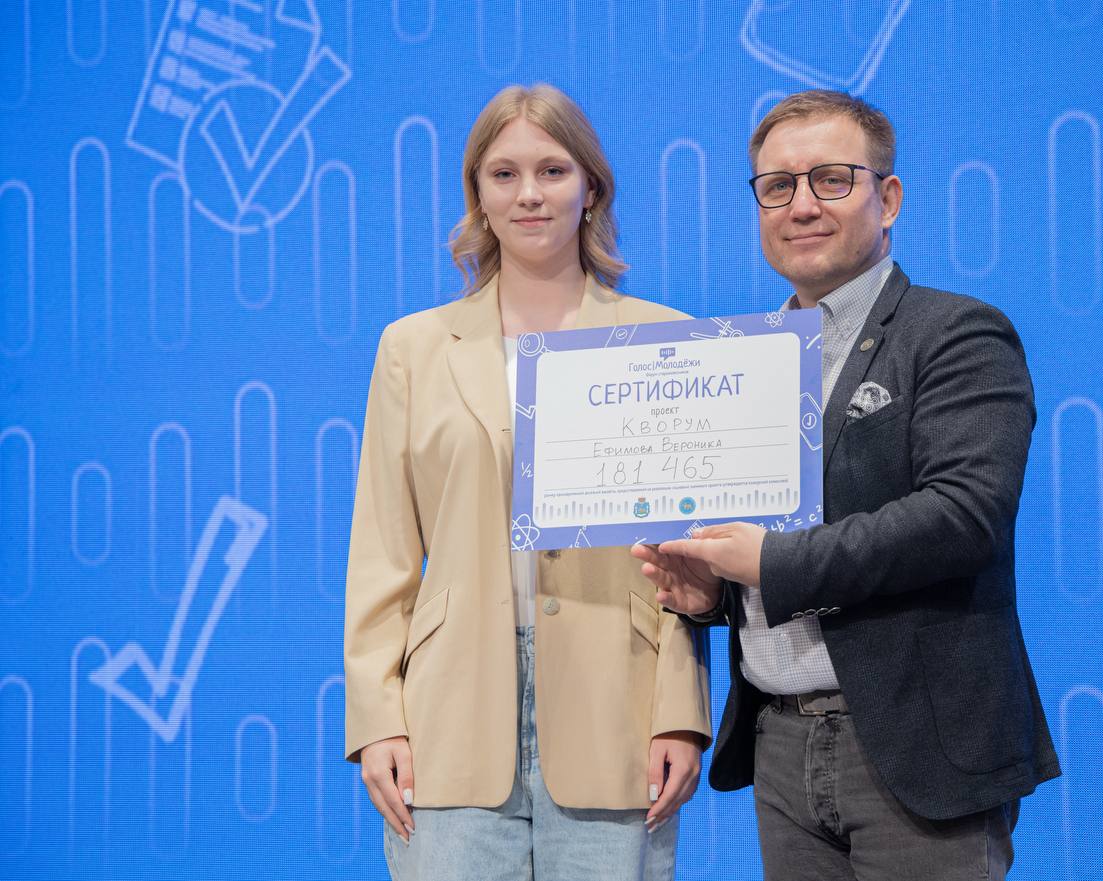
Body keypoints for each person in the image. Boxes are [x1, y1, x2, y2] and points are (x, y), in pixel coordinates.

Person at [632, 90, 1060, 880]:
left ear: (887, 199)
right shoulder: (742, 363)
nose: (802, 205)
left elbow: (964, 515)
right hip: (781, 743)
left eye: (831, 179)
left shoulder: (956, 333)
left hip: (915, 747)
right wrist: (715, 595)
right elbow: (763, 542)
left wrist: (772, 563)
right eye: (777, 186)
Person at [345, 83, 710, 881]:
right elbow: (382, 553)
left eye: (552, 170)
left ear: (591, 188)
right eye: (504, 174)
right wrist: (377, 720)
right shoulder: (411, 348)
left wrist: (681, 711)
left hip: (617, 707)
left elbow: (685, 556)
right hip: (448, 716)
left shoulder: (667, 340)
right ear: (477, 194)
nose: (529, 193)